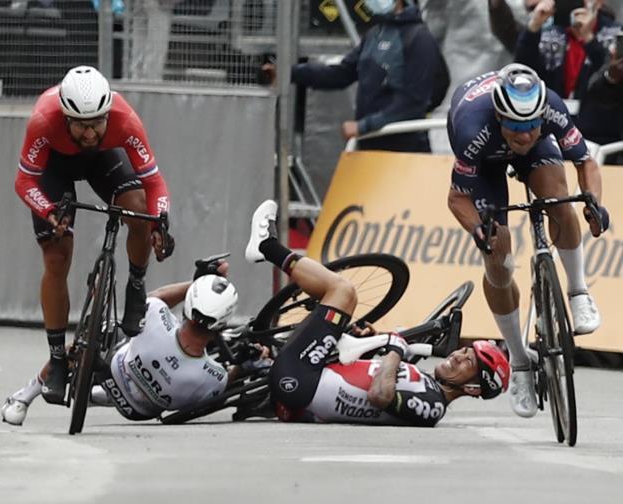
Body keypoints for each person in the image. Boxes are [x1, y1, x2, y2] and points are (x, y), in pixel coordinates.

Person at [247, 200, 511, 426]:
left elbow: (380, 396)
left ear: (473, 388)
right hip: (304, 380)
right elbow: (366, 380)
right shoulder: (427, 384)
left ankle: (266, 246)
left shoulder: (432, 407)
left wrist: (395, 351)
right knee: (338, 311)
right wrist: (370, 346)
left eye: (469, 362)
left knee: (344, 292)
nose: (458, 356)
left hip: (300, 382)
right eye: (465, 351)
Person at [445, 63, 609, 418]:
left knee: (559, 201)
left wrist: (594, 202)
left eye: (531, 125)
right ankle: (519, 360)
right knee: (498, 258)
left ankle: (578, 290)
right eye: (516, 127)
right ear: (501, 116)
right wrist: (478, 230)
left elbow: (585, 163)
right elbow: (457, 199)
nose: (525, 135)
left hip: (529, 149)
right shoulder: (472, 127)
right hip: (486, 156)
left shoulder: (549, 109)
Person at [13, 65, 174, 405]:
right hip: (55, 168)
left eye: (96, 123)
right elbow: (24, 181)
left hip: (104, 161)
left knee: (138, 210)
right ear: (65, 115)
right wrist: (48, 211)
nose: (89, 134)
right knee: (57, 255)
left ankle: (135, 284)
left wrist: (160, 220)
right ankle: (58, 359)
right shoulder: (44, 119)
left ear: (106, 114)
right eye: (81, 125)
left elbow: (155, 183)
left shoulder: (124, 119)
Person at [1, 260, 240, 425]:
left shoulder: (158, 316)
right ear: (223, 324)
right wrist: (241, 368)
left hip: (116, 369)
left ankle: (23, 398)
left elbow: (153, 299)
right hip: (138, 412)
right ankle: (99, 395)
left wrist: (195, 283)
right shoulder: (214, 376)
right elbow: (224, 384)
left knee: (87, 341)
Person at [263, 0, 443, 152]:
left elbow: (415, 103)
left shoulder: (420, 39)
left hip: (405, 153)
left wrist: (364, 126)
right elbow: (340, 74)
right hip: (368, 148)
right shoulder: (375, 34)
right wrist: (288, 73)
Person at [513, 0, 622, 144]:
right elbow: (522, 73)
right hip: (552, 132)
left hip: (601, 136)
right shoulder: (550, 33)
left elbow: (611, 82)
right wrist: (534, 26)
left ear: (599, 2)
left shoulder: (616, 35)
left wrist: (589, 38)